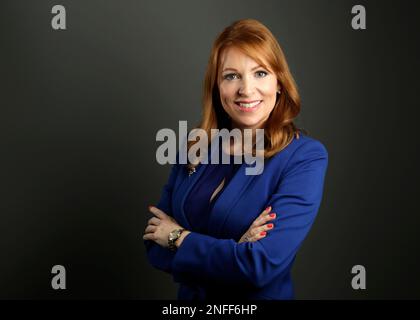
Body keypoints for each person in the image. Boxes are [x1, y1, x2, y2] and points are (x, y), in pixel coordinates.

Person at [143, 19, 328, 300]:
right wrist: (235, 252)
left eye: (260, 73)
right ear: (217, 87)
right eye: (231, 76)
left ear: (279, 82)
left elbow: (259, 266)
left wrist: (177, 238)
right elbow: (154, 249)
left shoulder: (304, 158)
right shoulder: (195, 147)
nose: (246, 89)